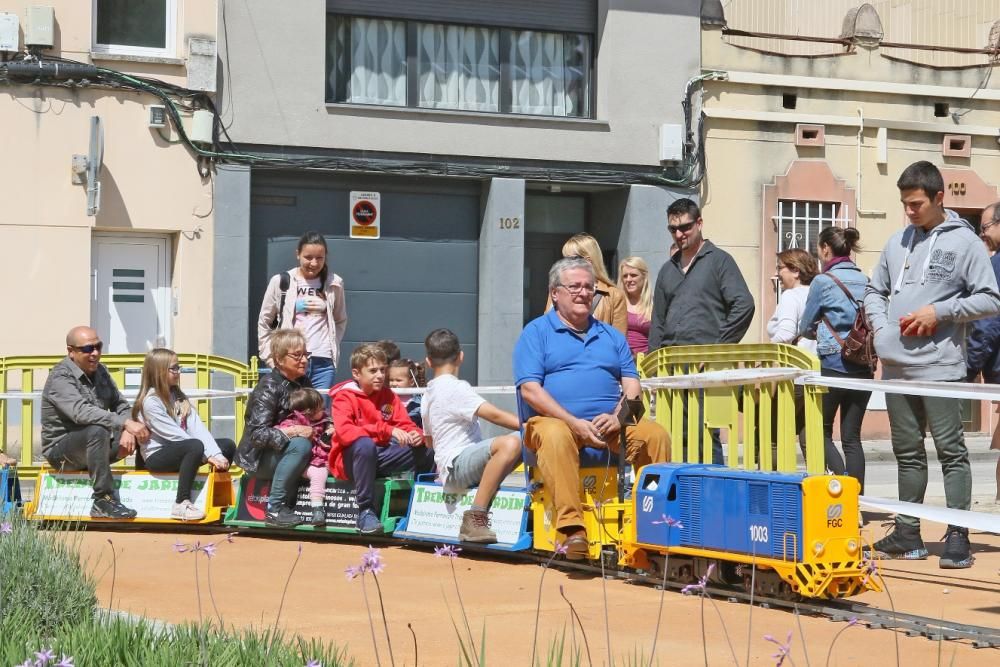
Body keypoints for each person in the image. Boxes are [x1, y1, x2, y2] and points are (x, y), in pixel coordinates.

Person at [864, 161, 1000, 569]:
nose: (910, 210)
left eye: (917, 203)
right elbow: (875, 289)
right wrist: (880, 329)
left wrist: (939, 312)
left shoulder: (966, 244)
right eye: (905, 203)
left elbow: (991, 300)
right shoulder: (895, 242)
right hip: (897, 368)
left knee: (951, 451)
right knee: (906, 452)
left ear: (940, 198)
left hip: (941, 368)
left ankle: (957, 532)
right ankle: (908, 532)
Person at [514, 257, 670, 560]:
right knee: (556, 433)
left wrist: (618, 416)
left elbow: (632, 385)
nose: (583, 293)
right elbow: (530, 390)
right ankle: (572, 531)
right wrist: (574, 422)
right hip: (553, 424)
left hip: (608, 427)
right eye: (575, 287)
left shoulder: (611, 336)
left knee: (655, 434)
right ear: (555, 293)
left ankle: (656, 524)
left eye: (589, 288)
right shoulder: (535, 333)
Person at [648, 198, 755, 464]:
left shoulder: (719, 261)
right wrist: (651, 366)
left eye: (685, 227)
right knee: (669, 433)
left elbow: (744, 305)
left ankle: (712, 492)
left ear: (699, 223)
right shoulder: (667, 269)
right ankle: (682, 493)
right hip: (670, 366)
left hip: (707, 367)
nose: (679, 234)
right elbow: (658, 320)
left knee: (705, 433)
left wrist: (718, 348)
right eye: (673, 229)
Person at [422, 328, 522, 544]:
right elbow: (493, 414)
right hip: (457, 466)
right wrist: (532, 423)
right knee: (514, 441)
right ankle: (476, 516)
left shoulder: (428, 393)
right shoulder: (456, 387)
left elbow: (429, 441)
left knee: (521, 439)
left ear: (428, 362)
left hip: (449, 467)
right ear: (461, 356)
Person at [40, 326, 149, 519]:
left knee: (143, 428)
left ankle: (157, 491)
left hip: (96, 446)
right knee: (97, 430)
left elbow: (120, 404)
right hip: (62, 453)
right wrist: (123, 423)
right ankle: (103, 500)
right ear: (71, 351)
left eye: (98, 346)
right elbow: (81, 413)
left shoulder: (101, 371)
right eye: (88, 349)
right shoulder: (60, 377)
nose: (96, 353)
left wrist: (128, 429)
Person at [329, 344, 434, 534]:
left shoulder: (388, 395)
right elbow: (345, 433)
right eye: (373, 370)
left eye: (382, 370)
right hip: (350, 461)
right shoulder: (343, 397)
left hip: (380, 456)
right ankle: (365, 511)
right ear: (356, 374)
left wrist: (416, 434)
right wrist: (387, 430)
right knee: (364, 444)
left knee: (426, 447)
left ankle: (421, 506)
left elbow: (405, 423)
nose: (380, 375)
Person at [799, 229, 873, 486]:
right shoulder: (866, 279)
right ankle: (857, 503)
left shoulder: (822, 281)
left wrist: (818, 330)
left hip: (833, 363)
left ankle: (842, 486)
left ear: (826, 249)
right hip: (864, 366)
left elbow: (805, 325)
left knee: (820, 431)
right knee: (852, 437)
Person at [133, 349, 236, 521]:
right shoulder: (151, 401)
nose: (179, 372)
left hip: (183, 449)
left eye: (179, 367)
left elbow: (197, 428)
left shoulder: (178, 396)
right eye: (174, 368)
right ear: (160, 371)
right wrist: (207, 455)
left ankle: (216, 498)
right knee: (194, 445)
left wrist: (216, 454)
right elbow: (174, 435)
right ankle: (181, 503)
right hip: (157, 456)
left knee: (227, 445)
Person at [235, 329, 316, 528]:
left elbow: (318, 413)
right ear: (279, 359)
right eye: (297, 355)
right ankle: (275, 509)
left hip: (283, 452)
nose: (304, 360)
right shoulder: (268, 387)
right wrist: (293, 431)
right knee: (301, 445)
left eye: (306, 354)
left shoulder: (303, 382)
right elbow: (257, 434)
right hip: (259, 458)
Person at [257, 231, 348, 393]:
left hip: (323, 362)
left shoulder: (334, 282)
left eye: (320, 258)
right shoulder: (281, 281)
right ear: (298, 254)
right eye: (308, 257)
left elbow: (340, 319)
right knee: (291, 412)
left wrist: (331, 345)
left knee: (318, 414)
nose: (314, 263)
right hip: (290, 360)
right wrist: (270, 358)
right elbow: (265, 321)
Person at [965, 201, 1000, 502]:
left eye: (985, 228)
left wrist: (970, 366)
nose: (982, 235)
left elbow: (988, 323)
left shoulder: (997, 266)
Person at [547, 233, 628, 334]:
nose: (565, 264)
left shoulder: (615, 295)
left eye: (571, 259)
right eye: (564, 259)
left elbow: (619, 341)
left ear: (588, 261)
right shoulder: (559, 290)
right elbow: (546, 328)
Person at [277, 387, 332, 527]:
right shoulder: (291, 423)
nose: (324, 410)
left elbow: (326, 444)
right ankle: (315, 508)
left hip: (320, 460)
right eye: (321, 408)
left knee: (323, 469)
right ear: (309, 413)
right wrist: (295, 432)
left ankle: (319, 508)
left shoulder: (325, 422)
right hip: (301, 463)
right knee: (318, 473)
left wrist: (330, 434)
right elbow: (278, 432)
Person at [618, 256, 653, 357]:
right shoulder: (617, 303)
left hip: (648, 361)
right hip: (623, 359)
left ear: (644, 276)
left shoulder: (654, 304)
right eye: (625, 276)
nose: (628, 279)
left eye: (633, 275)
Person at [388, 358, 425, 427]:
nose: (394, 383)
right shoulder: (386, 400)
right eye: (391, 380)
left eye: (398, 380)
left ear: (411, 382)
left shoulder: (420, 403)